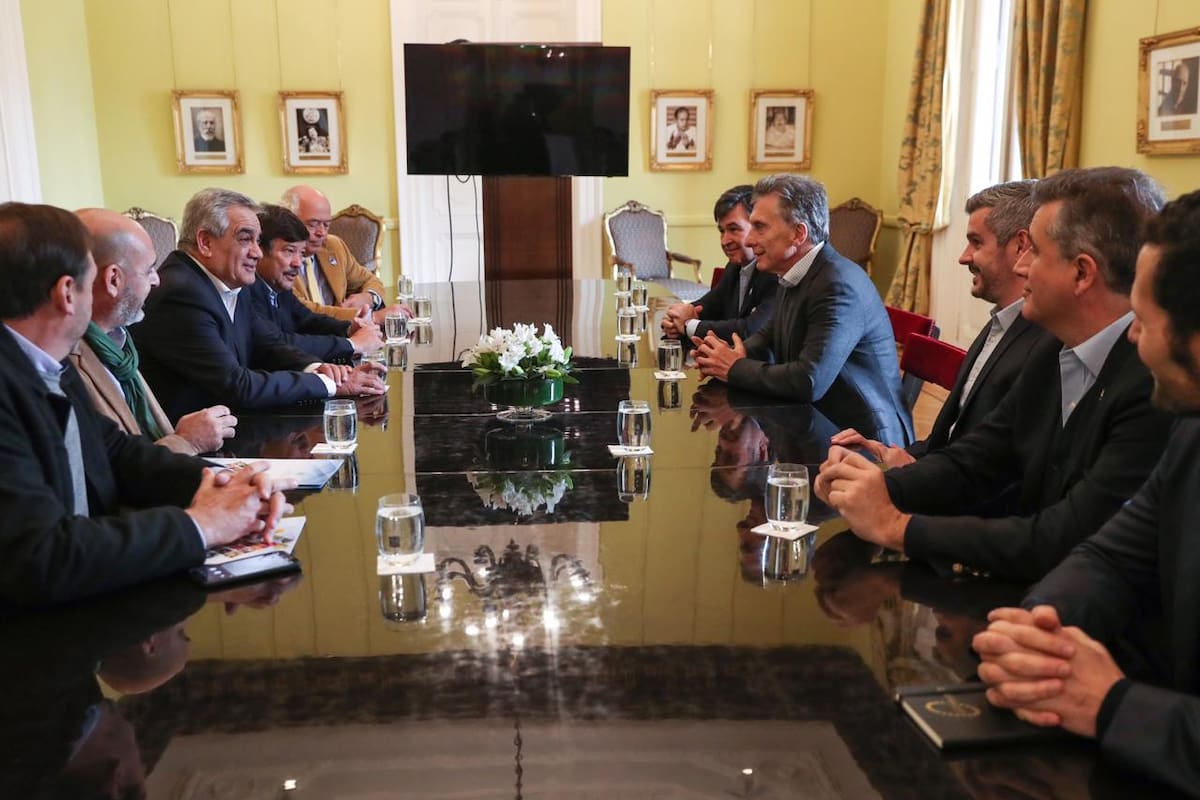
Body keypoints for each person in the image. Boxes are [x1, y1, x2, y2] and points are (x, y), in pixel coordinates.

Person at [814, 167, 1174, 583]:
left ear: (1082, 273)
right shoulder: (1051, 349)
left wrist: (897, 527)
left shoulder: (1154, 381)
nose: (1022, 268)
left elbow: (1069, 535)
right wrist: (875, 487)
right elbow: (977, 459)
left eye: (1034, 252)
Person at [972, 190, 1200, 795]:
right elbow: (1109, 556)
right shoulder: (1191, 432)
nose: (1131, 340)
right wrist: (1037, 632)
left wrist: (1114, 704)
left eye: (1146, 324)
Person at [0, 202, 293, 606]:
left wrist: (227, 484)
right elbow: (41, 555)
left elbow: (120, 455)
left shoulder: (51, 365)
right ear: (68, 293)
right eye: (90, 280)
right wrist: (202, 525)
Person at [832, 180, 1050, 466]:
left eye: (976, 242)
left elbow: (999, 471)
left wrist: (909, 473)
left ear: (1021, 246)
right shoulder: (1000, 323)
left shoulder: (1044, 347)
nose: (963, 257)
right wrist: (892, 453)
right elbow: (950, 438)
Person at [692, 174, 913, 447]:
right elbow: (768, 336)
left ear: (798, 233)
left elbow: (808, 380)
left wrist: (735, 367)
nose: (749, 241)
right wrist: (734, 354)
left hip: (866, 443)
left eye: (760, 227)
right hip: (816, 424)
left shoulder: (837, 285)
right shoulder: (793, 271)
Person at [132, 188, 385, 420]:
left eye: (257, 240)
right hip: (191, 446)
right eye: (245, 239)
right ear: (205, 243)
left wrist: (323, 369)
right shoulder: (182, 292)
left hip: (232, 424)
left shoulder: (228, 281)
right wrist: (329, 385)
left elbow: (267, 344)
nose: (257, 252)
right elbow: (237, 385)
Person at [67, 208, 236, 456]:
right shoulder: (65, 361)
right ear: (113, 279)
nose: (157, 280)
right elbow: (110, 473)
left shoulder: (120, 344)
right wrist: (187, 441)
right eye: (149, 270)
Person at [248, 204, 384, 363]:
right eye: (289, 251)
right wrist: (352, 344)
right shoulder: (247, 290)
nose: (298, 263)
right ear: (260, 251)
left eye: (300, 253)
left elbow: (308, 319)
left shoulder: (278, 287)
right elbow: (280, 343)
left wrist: (348, 328)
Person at [661, 185, 778, 346]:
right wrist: (677, 318)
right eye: (722, 231)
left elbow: (749, 329)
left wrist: (687, 325)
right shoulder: (734, 266)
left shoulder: (775, 271)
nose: (724, 241)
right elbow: (710, 304)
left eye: (733, 229)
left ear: (757, 227)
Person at [280, 185, 408, 325]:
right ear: (288, 221)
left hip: (344, 336)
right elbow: (304, 312)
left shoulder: (334, 246)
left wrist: (368, 297)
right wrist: (372, 318)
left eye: (326, 225)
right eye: (313, 224)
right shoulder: (279, 258)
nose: (321, 233)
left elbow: (370, 280)